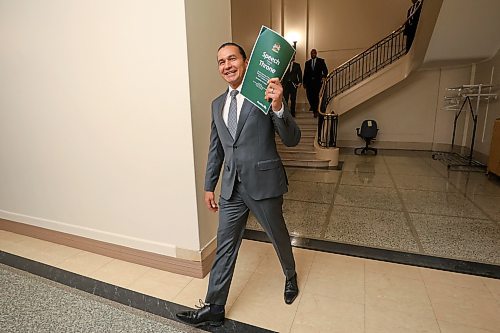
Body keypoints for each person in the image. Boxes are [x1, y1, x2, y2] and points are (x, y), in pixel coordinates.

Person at [176, 42, 301, 328]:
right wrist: (209, 185)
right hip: (232, 187)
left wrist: (279, 106)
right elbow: (216, 149)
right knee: (225, 246)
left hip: (263, 182)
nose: (226, 65)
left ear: (246, 62)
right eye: (221, 61)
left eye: (232, 58)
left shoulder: (263, 95)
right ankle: (214, 307)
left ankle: (290, 275)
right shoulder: (217, 104)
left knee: (278, 236)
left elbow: (292, 138)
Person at [303, 49, 328, 117]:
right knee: (309, 96)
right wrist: (304, 83)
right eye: (311, 53)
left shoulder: (321, 61)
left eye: (314, 53)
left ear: (316, 54)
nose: (312, 54)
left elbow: (325, 70)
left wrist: (323, 77)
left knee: (315, 96)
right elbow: (305, 73)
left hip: (317, 82)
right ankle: (313, 106)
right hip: (309, 82)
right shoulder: (307, 62)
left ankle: (315, 111)